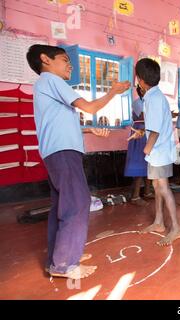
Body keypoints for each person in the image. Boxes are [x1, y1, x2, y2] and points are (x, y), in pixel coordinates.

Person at [26, 44, 130, 279]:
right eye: (65, 59)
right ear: (45, 59)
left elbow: (59, 122)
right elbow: (90, 107)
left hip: (56, 152)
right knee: (77, 203)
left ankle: (58, 257)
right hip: (63, 153)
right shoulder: (51, 80)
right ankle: (65, 264)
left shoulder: (45, 86)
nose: (70, 65)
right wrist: (113, 91)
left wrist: (88, 131)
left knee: (61, 206)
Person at [135, 58, 180, 246]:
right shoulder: (154, 96)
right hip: (158, 151)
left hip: (159, 151)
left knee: (163, 187)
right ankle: (159, 222)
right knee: (157, 186)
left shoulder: (153, 98)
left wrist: (146, 149)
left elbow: (155, 130)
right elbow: (154, 125)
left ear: (140, 80)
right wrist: (141, 132)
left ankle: (176, 227)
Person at [124, 86, 153, 206]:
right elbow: (143, 117)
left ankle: (147, 192)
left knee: (148, 165)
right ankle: (135, 197)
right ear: (141, 91)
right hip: (139, 135)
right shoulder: (137, 103)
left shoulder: (147, 103)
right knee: (139, 165)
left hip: (146, 134)